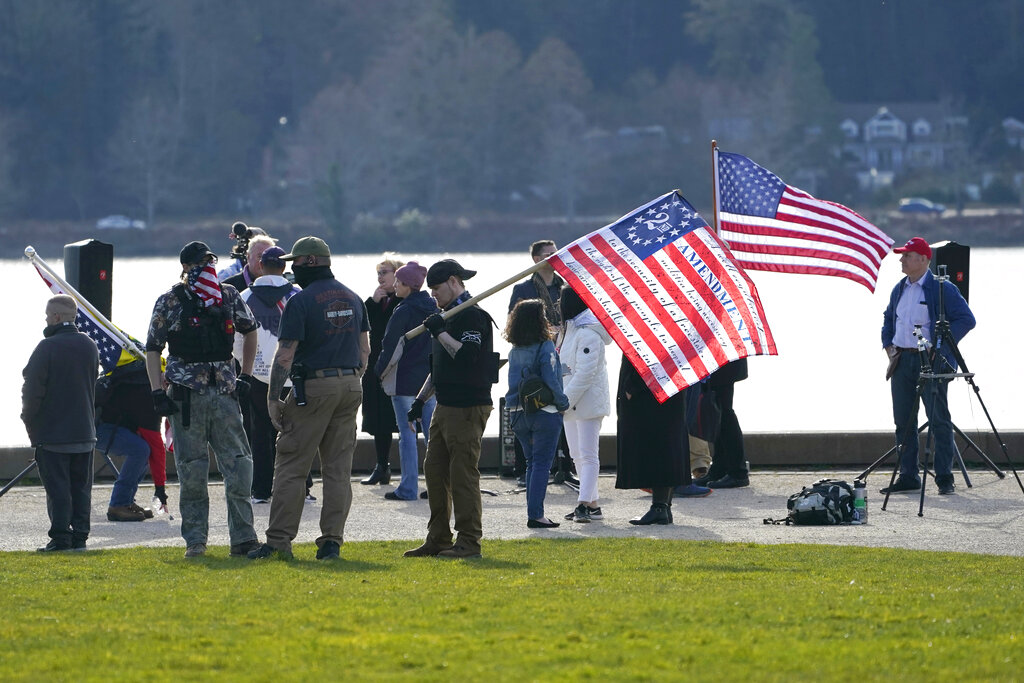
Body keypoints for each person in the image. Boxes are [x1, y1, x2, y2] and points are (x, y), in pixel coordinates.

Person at [248, 236, 369, 561]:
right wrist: (349, 381)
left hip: (312, 389)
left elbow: (285, 356)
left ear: (311, 262)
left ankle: (278, 542)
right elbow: (365, 351)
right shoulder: (354, 297)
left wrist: (273, 398)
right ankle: (331, 542)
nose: (291, 269)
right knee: (338, 470)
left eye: (296, 263)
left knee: (291, 464)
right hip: (350, 387)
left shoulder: (300, 302)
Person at [145, 241, 260, 559]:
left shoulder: (228, 295)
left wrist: (246, 375)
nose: (206, 268)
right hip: (186, 397)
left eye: (210, 261)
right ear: (185, 267)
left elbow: (250, 330)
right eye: (199, 263)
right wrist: (157, 391)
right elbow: (152, 347)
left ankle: (243, 539)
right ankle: (195, 541)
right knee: (191, 471)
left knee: (239, 466)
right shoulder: (170, 300)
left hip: (225, 394)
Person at [404, 259, 498, 559]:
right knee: (434, 471)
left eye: (437, 288)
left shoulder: (472, 316)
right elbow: (439, 367)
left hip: (469, 407)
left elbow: (467, 356)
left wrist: (439, 332)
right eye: (430, 289)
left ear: (454, 282)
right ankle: (438, 538)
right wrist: (420, 400)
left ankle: (469, 541)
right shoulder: (446, 317)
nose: (433, 295)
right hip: (443, 405)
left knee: (462, 475)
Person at [881, 236, 976, 495]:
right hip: (901, 361)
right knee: (903, 421)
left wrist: (940, 347)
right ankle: (909, 475)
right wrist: (888, 346)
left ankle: (945, 477)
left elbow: (966, 319)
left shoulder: (942, 288)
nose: (901, 259)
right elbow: (889, 319)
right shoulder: (898, 288)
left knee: (938, 420)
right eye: (902, 255)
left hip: (930, 362)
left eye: (907, 256)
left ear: (923, 260)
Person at [21, 295, 99, 552]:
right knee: (81, 489)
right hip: (85, 431)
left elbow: (32, 391)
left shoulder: (47, 348)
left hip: (54, 434)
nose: (46, 320)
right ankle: (80, 536)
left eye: (47, 316)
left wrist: (28, 420)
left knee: (58, 491)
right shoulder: (90, 345)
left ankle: (61, 537)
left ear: (55, 317)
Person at [232, 246, 303, 505]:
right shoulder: (298, 296)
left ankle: (261, 490)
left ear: (260, 266)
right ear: (284, 267)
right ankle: (300, 489)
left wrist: (247, 367)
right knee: (296, 431)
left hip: (258, 375)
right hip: (293, 376)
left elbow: (237, 340)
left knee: (259, 432)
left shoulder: (244, 296)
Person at [507, 239, 570, 486]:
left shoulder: (564, 287)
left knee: (559, 405)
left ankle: (565, 467)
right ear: (536, 259)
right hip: (533, 354)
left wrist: (560, 331)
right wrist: (545, 331)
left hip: (564, 351)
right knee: (527, 405)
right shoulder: (523, 289)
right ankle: (524, 470)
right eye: (549, 254)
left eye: (557, 252)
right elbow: (514, 324)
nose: (555, 256)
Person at [375, 261, 438, 501]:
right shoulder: (434, 307)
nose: (394, 285)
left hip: (404, 381)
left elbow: (389, 346)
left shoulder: (402, 310)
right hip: (429, 382)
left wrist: (378, 371)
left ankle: (408, 487)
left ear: (408, 286)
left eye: (399, 282)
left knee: (407, 435)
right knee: (433, 437)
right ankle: (436, 485)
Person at [506, 299, 570, 528]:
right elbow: (551, 379)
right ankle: (536, 515)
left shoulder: (514, 350)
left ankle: (534, 512)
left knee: (532, 463)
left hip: (516, 412)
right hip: (543, 411)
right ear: (538, 320)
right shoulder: (545, 346)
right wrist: (563, 403)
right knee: (542, 464)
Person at [556, 285, 612, 523]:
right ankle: (593, 503)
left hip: (586, 402)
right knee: (577, 454)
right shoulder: (569, 331)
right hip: (571, 402)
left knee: (588, 455)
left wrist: (564, 400)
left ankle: (583, 503)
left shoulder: (588, 332)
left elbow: (585, 373)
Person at [616, 356, 691, 525]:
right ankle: (664, 506)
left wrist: (632, 385)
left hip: (650, 393)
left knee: (658, 446)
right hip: (671, 386)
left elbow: (652, 354)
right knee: (667, 445)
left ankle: (659, 507)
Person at [96, 360, 167, 522]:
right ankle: (118, 504)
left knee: (143, 449)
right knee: (141, 449)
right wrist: (160, 488)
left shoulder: (142, 383)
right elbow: (157, 447)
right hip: (100, 428)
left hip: (103, 425)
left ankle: (126, 501)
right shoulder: (148, 395)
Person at [360, 256, 403, 485]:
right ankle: (381, 465)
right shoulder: (377, 300)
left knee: (403, 419)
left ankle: (409, 470)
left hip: (399, 366)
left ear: (398, 274)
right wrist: (372, 302)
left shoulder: (404, 300)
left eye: (385, 272)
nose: (380, 277)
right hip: (376, 364)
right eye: (378, 273)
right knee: (377, 418)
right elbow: (362, 325)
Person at [693, 359, 750, 489]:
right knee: (720, 413)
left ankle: (737, 472)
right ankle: (721, 469)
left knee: (724, 414)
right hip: (721, 363)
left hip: (721, 362)